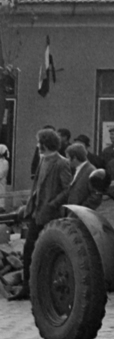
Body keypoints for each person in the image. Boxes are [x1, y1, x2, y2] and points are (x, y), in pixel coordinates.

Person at [19, 127, 70, 300]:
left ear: (46, 144)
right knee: (28, 249)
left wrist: (53, 204)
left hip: (51, 215)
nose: (37, 145)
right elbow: (37, 188)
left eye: (39, 142)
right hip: (37, 213)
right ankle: (27, 287)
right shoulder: (42, 161)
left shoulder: (61, 163)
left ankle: (45, 288)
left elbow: (67, 189)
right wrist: (29, 206)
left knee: (48, 251)